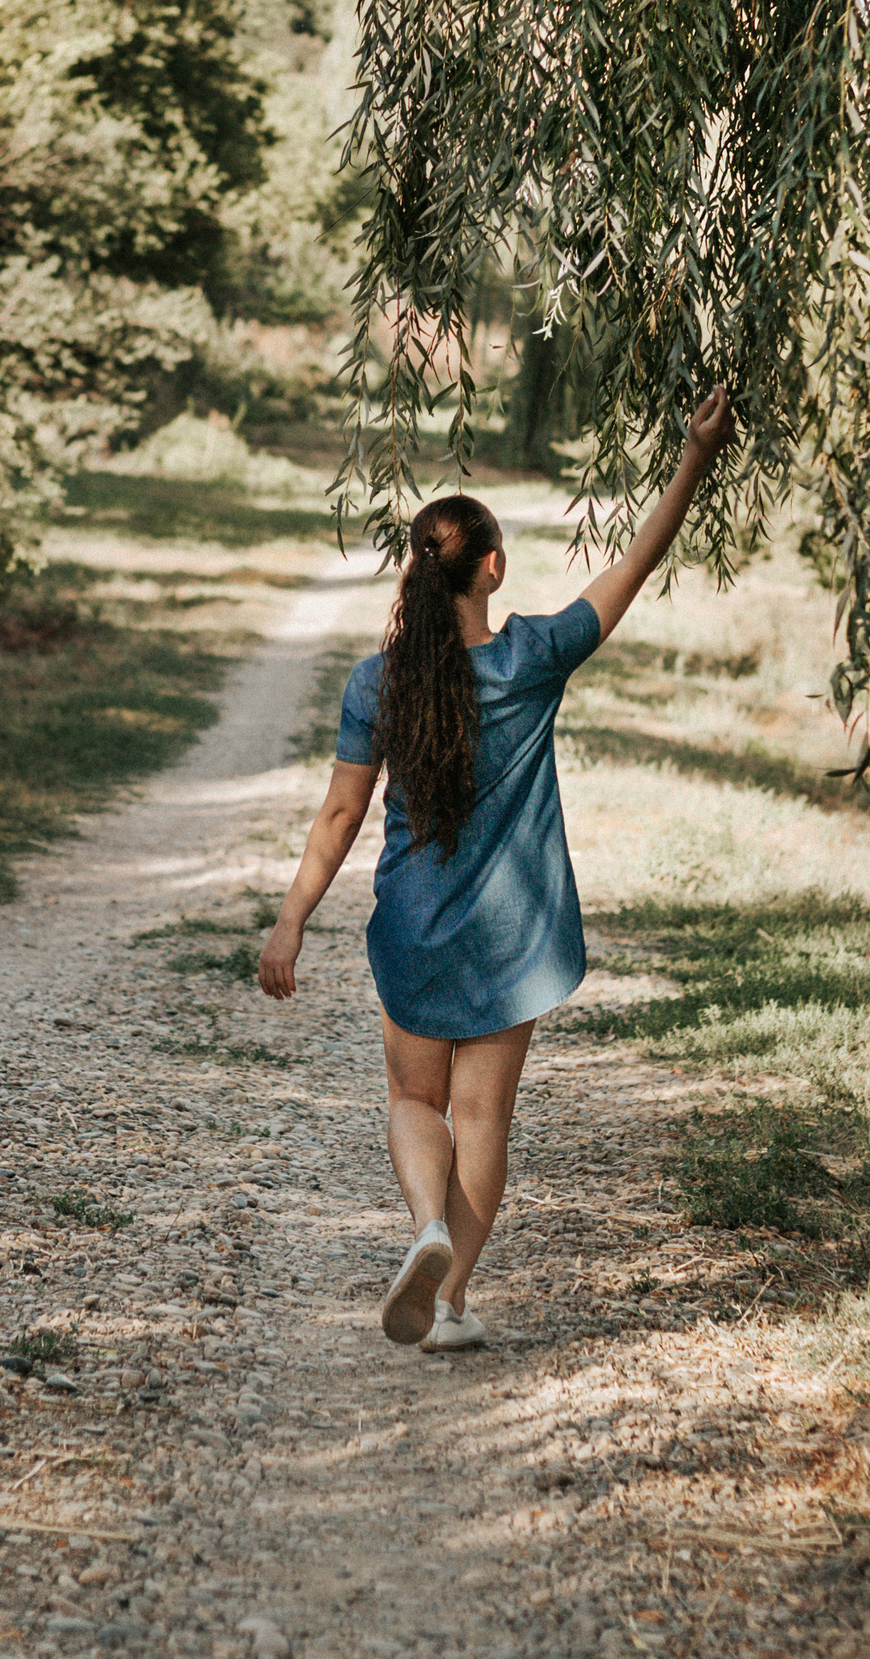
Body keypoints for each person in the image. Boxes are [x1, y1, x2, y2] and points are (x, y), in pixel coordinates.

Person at [257, 388, 738, 1350]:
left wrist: (293, 915)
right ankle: (449, 1303)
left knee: (412, 1100)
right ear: (493, 569)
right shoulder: (531, 658)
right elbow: (635, 563)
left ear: (413, 577)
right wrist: (694, 453)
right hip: (509, 939)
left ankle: (425, 1228)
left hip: (413, 928)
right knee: (482, 1119)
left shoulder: (377, 682)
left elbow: (344, 811)